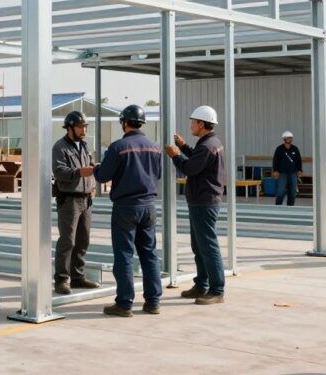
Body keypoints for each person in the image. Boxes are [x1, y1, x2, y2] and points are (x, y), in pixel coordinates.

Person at [93, 104, 163, 317]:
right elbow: (157, 174)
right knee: (149, 254)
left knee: (124, 255)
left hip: (126, 207)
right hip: (149, 207)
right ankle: (153, 302)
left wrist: (95, 168)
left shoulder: (118, 147)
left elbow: (103, 176)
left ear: (124, 123)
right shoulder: (154, 147)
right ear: (141, 123)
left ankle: (124, 303)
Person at [165, 105, 226, 305]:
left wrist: (175, 155)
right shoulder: (209, 143)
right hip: (202, 200)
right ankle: (202, 284)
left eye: (193, 122)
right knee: (199, 246)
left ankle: (216, 290)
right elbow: (197, 159)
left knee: (207, 246)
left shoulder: (207, 146)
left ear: (201, 124)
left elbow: (190, 167)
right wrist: (183, 147)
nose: (191, 125)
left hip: (204, 202)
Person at [51, 110, 100, 295]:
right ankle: (62, 280)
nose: (84, 130)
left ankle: (78, 278)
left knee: (83, 240)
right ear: (70, 128)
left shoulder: (85, 146)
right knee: (67, 241)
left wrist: (93, 182)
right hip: (69, 200)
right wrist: (80, 172)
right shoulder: (60, 147)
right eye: (80, 127)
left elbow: (92, 166)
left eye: (85, 127)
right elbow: (60, 171)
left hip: (86, 199)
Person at [271, 131, 303, 206]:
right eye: (288, 138)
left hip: (293, 173)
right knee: (281, 191)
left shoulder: (295, 149)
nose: (289, 139)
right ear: (284, 139)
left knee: (292, 192)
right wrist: (275, 170)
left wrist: (299, 170)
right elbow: (275, 160)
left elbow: (299, 160)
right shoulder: (279, 149)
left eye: (291, 138)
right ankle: (278, 206)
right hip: (282, 173)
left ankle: (290, 207)